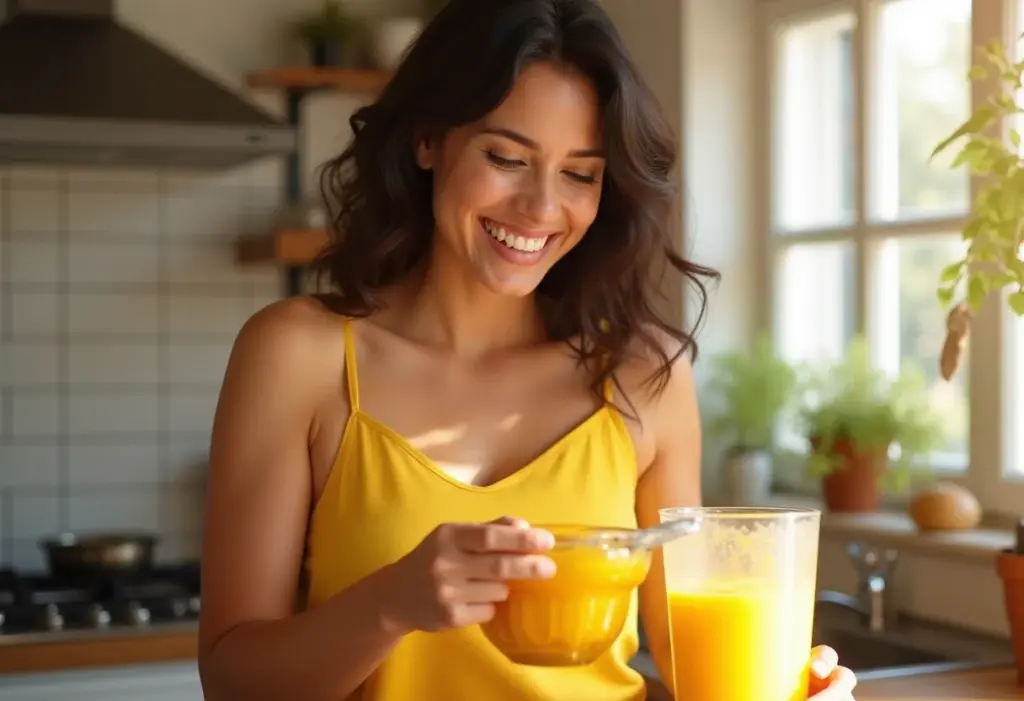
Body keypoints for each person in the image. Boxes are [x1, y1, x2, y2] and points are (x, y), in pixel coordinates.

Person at [197, 1, 857, 699]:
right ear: (428, 139)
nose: (541, 208)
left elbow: (698, 665)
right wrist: (390, 603)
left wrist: (796, 692)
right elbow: (234, 683)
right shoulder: (298, 356)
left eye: (581, 174)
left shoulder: (645, 374)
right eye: (507, 158)